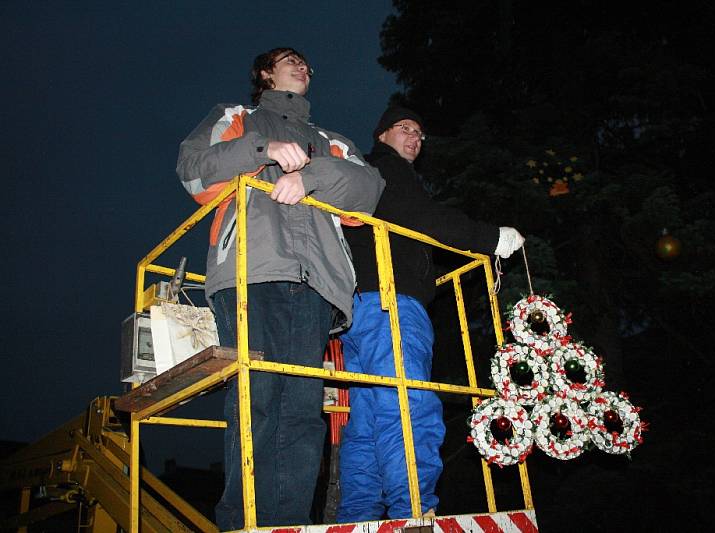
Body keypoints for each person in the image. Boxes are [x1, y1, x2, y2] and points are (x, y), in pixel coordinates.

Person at [176, 48, 384, 529]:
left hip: (317, 282)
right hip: (252, 269)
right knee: (259, 396)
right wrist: (262, 150)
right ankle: (243, 521)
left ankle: (288, 523)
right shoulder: (237, 116)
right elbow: (192, 167)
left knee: (303, 411)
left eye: (308, 63)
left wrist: (309, 176)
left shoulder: (331, 140)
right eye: (291, 60)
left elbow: (367, 192)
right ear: (266, 73)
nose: (303, 67)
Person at [336, 106, 525, 521]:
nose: (415, 138)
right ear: (382, 134)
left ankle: (359, 517)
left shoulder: (370, 178)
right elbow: (424, 219)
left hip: (362, 308)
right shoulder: (389, 171)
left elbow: (410, 239)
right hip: (392, 303)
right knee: (409, 405)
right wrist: (490, 238)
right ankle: (416, 514)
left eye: (420, 133)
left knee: (369, 418)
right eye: (405, 128)